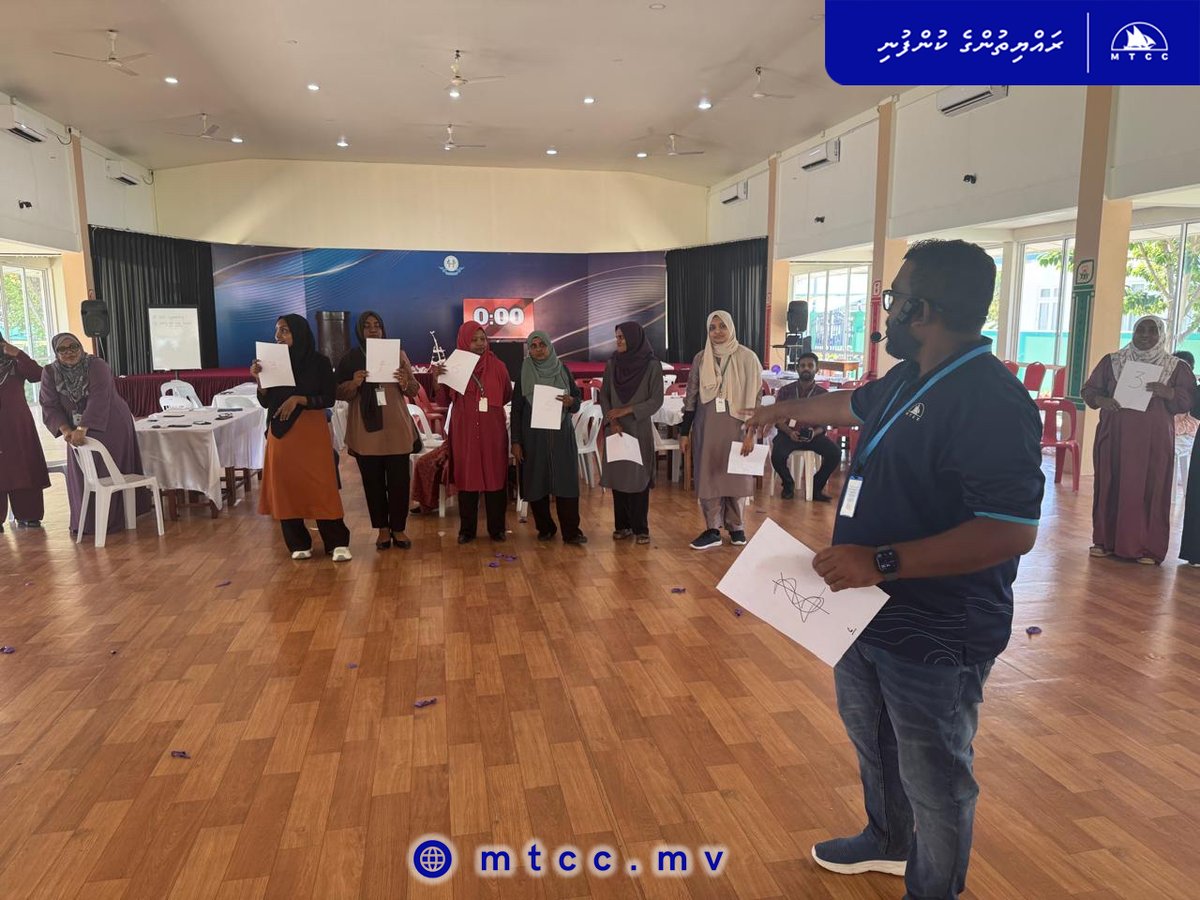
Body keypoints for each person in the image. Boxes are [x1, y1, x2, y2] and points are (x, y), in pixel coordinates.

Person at [745, 239, 1044, 899]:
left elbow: (1012, 530)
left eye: (894, 299)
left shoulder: (990, 400)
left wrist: (881, 561)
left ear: (923, 309)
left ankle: (932, 888)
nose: (886, 312)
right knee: (873, 738)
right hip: (864, 606)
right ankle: (886, 839)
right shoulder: (909, 377)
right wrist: (778, 411)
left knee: (936, 773)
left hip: (939, 624)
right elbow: (853, 405)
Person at [1081, 315, 1193, 565]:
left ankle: (1147, 548)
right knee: (1112, 482)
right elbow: (1089, 391)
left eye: (1152, 330)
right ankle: (1105, 541)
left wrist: (1169, 392)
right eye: (1140, 329)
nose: (1145, 335)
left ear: (1161, 335)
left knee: (1149, 488)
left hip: (1153, 442)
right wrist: (1103, 401)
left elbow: (1188, 401)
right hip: (1115, 436)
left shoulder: (1175, 367)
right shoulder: (1113, 361)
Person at [252, 315, 352, 561]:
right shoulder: (271, 363)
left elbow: (328, 398)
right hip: (281, 433)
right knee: (287, 487)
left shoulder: (319, 362)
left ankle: (336, 542)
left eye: (284, 331)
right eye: (277, 332)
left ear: (299, 332)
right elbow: (266, 401)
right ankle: (298, 542)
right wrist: (259, 380)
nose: (278, 337)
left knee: (321, 485)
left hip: (311, 433)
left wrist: (299, 399)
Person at [40, 332, 150, 535]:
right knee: (84, 474)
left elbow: (100, 397)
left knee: (109, 472)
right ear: (56, 353)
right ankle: (89, 523)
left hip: (110, 422)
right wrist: (66, 430)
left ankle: (117, 519)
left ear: (81, 347)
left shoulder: (96, 365)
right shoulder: (50, 372)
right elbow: (49, 405)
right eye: (62, 350)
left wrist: (83, 428)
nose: (69, 353)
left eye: (73, 347)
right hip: (74, 428)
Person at [335, 311, 421, 551]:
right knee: (372, 483)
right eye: (367, 326)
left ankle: (399, 529)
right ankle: (383, 529)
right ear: (360, 330)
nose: (373, 330)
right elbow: (338, 393)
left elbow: (414, 390)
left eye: (377, 326)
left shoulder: (397, 354)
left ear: (383, 329)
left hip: (396, 428)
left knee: (399, 482)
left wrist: (405, 380)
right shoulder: (350, 358)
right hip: (366, 431)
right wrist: (354, 383)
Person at [679, 311, 761, 550]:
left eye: (722, 326)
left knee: (736, 472)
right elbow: (691, 395)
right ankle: (712, 528)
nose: (717, 332)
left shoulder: (748, 357)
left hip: (738, 424)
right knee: (710, 473)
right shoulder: (701, 358)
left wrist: (750, 433)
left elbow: (755, 399)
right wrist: (685, 431)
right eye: (712, 327)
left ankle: (737, 527)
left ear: (731, 328)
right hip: (707, 425)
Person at [434, 322, 513, 543]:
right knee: (467, 479)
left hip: (493, 433)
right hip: (465, 432)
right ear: (463, 342)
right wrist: (438, 379)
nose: (479, 344)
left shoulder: (499, 367)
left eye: (482, 339)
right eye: (474, 339)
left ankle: (497, 529)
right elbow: (443, 400)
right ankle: (466, 530)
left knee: (495, 478)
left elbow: (506, 394)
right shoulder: (454, 366)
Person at [511, 331, 587, 544]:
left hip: (561, 436)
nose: (538, 349)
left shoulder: (562, 370)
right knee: (537, 481)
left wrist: (571, 401)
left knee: (566, 482)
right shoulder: (525, 371)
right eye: (533, 346)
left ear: (549, 346)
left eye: (541, 344)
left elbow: (578, 401)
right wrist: (516, 441)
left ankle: (571, 531)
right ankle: (545, 528)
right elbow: (516, 409)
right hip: (533, 437)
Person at [598, 321, 663, 545]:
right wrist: (612, 419)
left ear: (634, 338)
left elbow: (656, 400)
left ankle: (640, 528)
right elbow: (604, 395)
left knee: (639, 478)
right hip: (616, 429)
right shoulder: (612, 363)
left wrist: (628, 410)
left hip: (638, 429)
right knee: (619, 478)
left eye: (622, 338)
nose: (618, 341)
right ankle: (622, 526)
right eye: (617, 337)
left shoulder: (652, 365)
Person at [771, 352, 841, 501]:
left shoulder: (823, 394)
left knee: (835, 453)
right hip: (788, 434)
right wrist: (789, 432)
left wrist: (814, 432)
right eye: (802, 366)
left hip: (813, 435)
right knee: (777, 455)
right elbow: (777, 419)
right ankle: (788, 484)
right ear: (797, 369)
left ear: (817, 369)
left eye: (810, 366)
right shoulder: (785, 391)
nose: (806, 369)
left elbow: (825, 421)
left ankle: (816, 487)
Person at [0, 332, 49, 529]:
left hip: (17, 425)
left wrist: (18, 354)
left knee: (24, 466)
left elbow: (39, 375)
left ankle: (28, 514)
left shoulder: (13, 363)